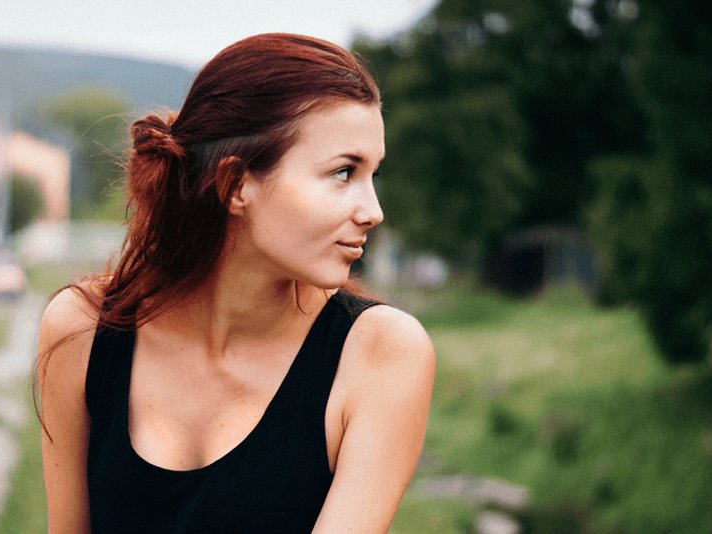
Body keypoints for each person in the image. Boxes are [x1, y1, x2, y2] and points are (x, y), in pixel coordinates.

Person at [36, 33, 436, 533]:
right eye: (342, 173)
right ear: (236, 184)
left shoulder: (379, 353)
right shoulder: (84, 330)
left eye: (372, 173)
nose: (372, 211)